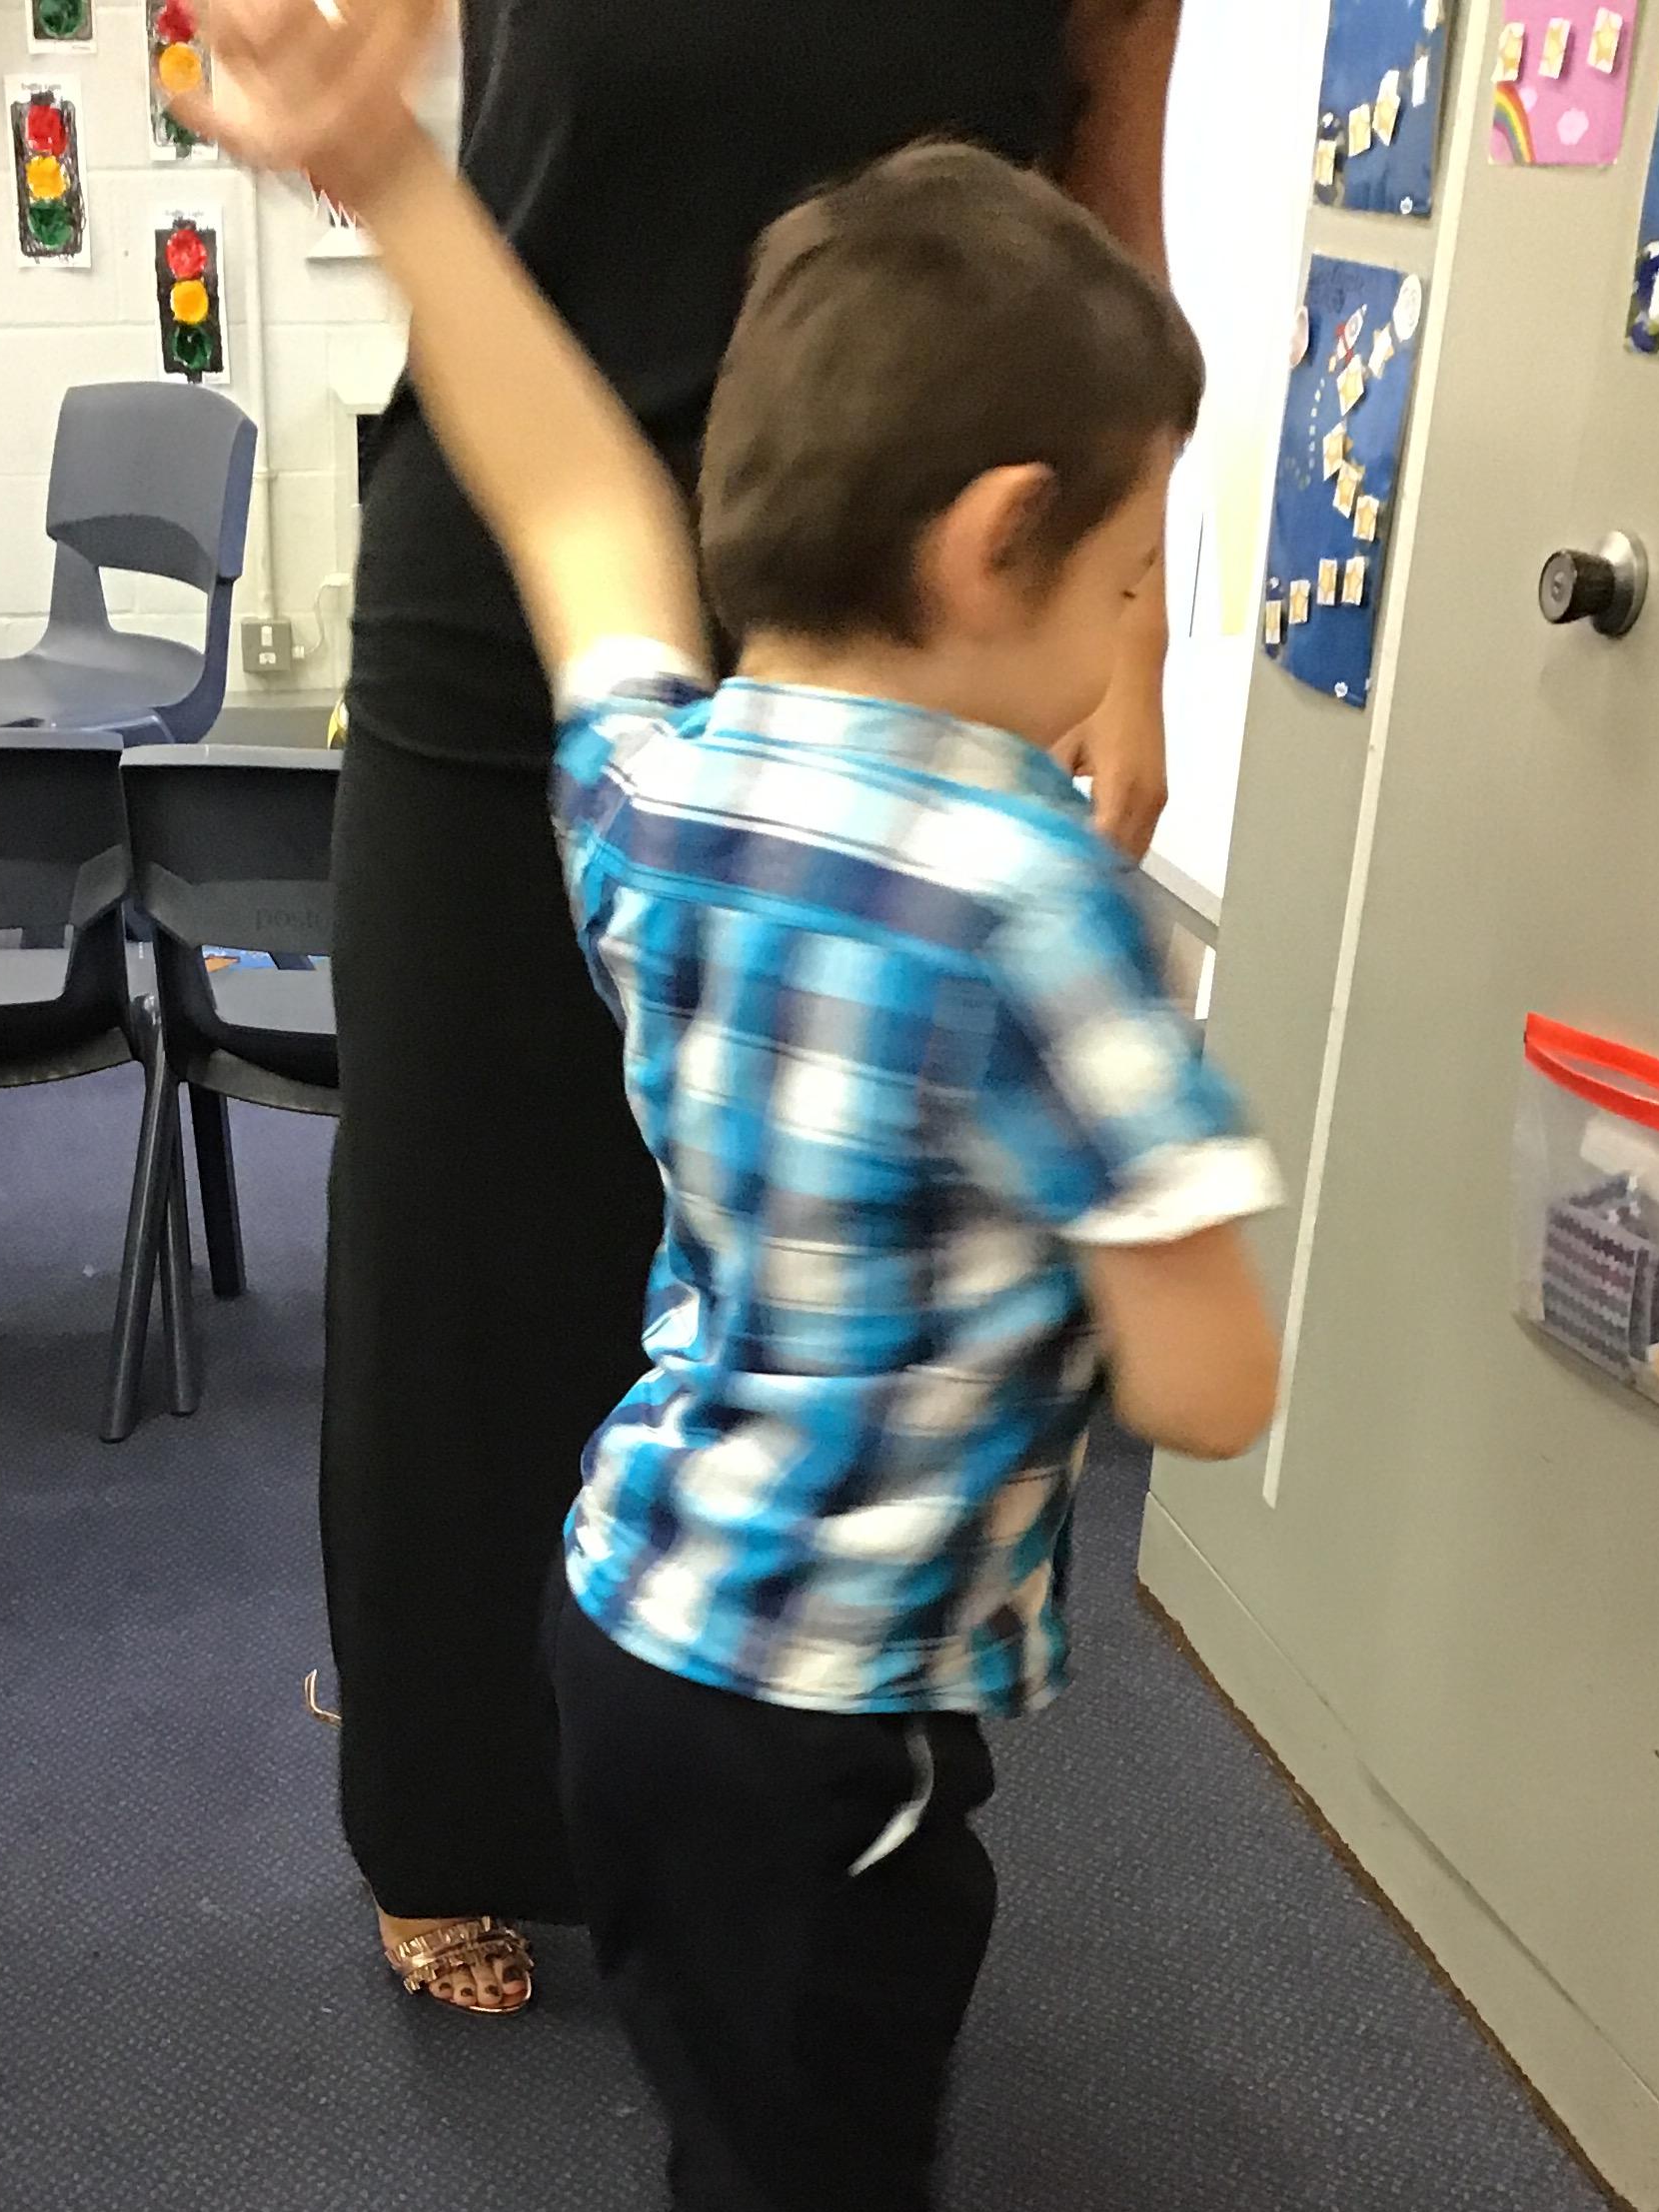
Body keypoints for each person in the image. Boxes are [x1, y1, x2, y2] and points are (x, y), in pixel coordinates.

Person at [183, 11, 1280, 2212]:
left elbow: (570, 492)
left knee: (729, 2074)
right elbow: (1212, 1381)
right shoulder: (1043, 915)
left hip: (626, 1624)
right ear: (1004, 537)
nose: (1130, 619)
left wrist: (397, 176)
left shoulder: (657, 785)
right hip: (837, 1719)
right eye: (1126, 565)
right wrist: (1111, 1193)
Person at [316, 0, 1188, 2017]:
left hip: (908, 611)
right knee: (462, 1265)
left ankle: (761, 1787)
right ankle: (452, 1804)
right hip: (518, 588)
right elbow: (1206, 1386)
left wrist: (1130, 619)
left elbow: (1108, 236)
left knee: (822, 1268)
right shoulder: (1082, 977)